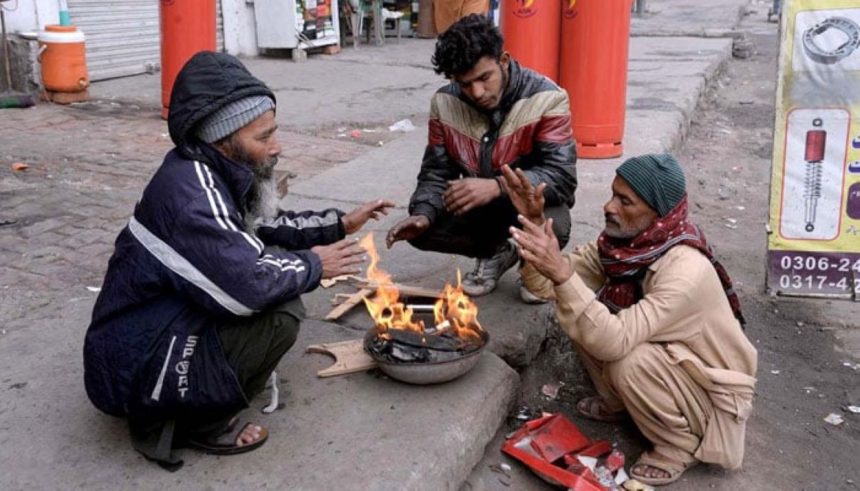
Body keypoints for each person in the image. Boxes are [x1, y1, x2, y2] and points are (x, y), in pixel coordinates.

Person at [82, 51, 393, 469]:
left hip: (156, 327)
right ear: (223, 140)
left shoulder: (213, 171)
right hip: (133, 366)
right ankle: (193, 422)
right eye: (262, 138)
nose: (276, 147)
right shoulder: (192, 196)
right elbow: (250, 286)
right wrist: (315, 264)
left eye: (273, 133)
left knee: (280, 267)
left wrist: (340, 223)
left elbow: (265, 225)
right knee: (280, 311)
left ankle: (204, 387)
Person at [503, 154, 757, 486]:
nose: (608, 206)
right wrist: (534, 222)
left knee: (625, 356)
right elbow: (543, 287)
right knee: (580, 308)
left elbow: (613, 340)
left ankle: (678, 445)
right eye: (612, 194)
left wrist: (562, 275)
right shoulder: (621, 248)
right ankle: (620, 403)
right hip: (672, 362)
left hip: (712, 395)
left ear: (658, 213)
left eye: (625, 201)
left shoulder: (685, 271)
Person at [386, 14, 577, 302]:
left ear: (503, 60)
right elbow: (436, 173)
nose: (476, 92)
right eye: (464, 84)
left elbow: (562, 178)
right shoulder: (445, 102)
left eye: (484, 78)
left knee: (555, 221)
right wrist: (424, 213)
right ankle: (497, 252)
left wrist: (498, 186)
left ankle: (533, 264)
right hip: (483, 211)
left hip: (528, 209)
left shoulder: (547, 98)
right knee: (421, 229)